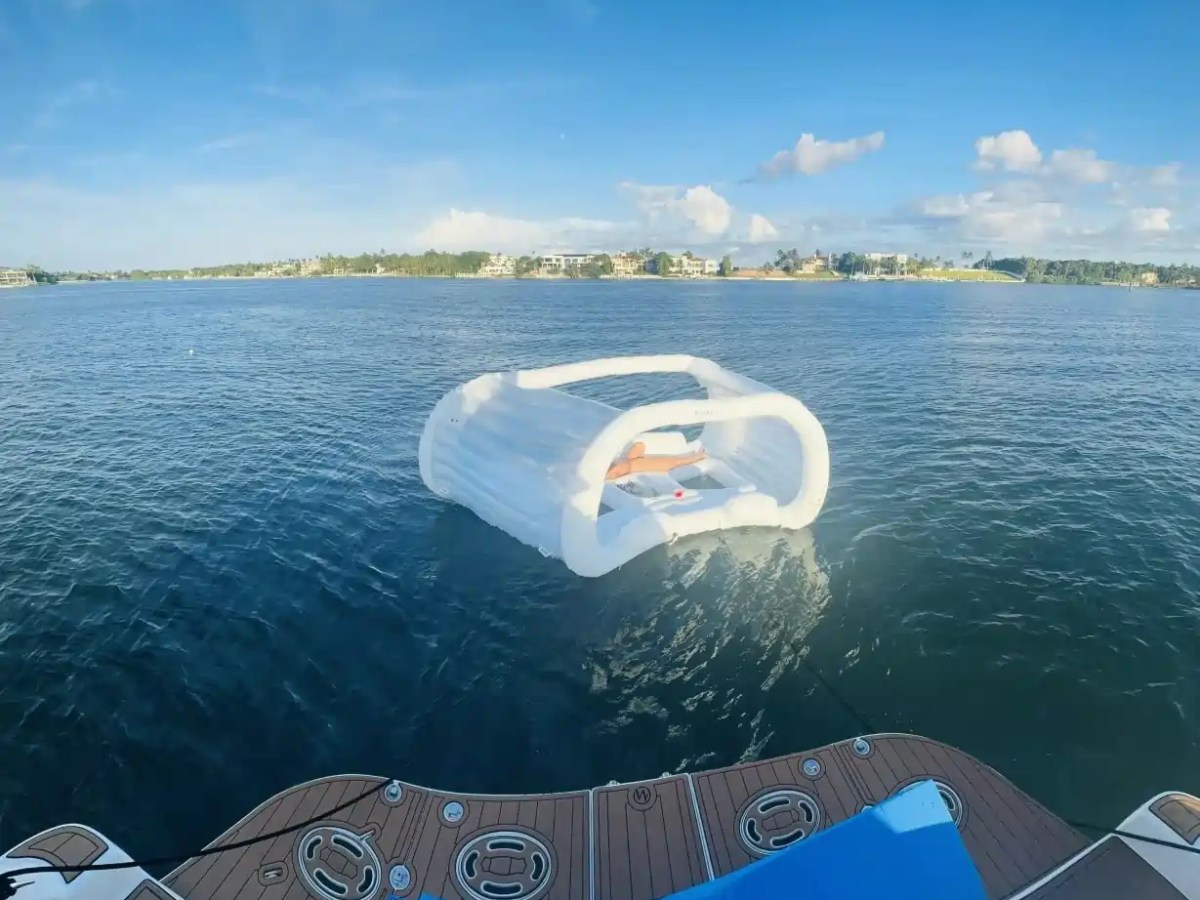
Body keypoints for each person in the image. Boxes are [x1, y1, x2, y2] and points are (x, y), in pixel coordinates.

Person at [605, 441, 706, 481]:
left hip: (635, 462)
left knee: (678, 461)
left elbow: (639, 446)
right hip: (636, 463)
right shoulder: (614, 471)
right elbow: (639, 446)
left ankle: (699, 456)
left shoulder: (616, 467)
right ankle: (700, 456)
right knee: (678, 461)